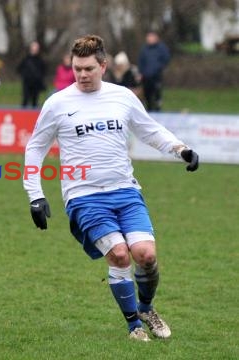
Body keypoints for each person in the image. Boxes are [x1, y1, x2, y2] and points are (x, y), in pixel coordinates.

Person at [23, 35, 199, 342]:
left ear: (104, 66)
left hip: (126, 191)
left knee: (145, 255)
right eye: (78, 68)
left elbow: (149, 130)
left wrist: (179, 149)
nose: (82, 74)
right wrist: (35, 195)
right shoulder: (58, 103)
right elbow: (35, 148)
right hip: (84, 197)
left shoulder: (122, 97)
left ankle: (146, 308)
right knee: (119, 255)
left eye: (89, 68)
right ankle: (134, 326)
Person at [138, 30, 170, 111]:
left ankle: (158, 108)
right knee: (147, 94)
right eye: (148, 37)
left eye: (151, 37)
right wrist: (141, 72)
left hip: (156, 76)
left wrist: (159, 67)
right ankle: (149, 109)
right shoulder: (144, 49)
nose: (149, 39)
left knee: (157, 93)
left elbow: (166, 59)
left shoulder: (161, 48)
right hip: (146, 76)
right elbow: (141, 61)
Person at [17, 41, 46, 107]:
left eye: (36, 48)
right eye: (33, 48)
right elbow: (19, 69)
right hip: (27, 83)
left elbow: (43, 71)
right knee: (25, 100)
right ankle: (22, 115)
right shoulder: (26, 59)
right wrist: (25, 75)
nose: (35, 50)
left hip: (36, 83)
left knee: (35, 101)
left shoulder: (40, 61)